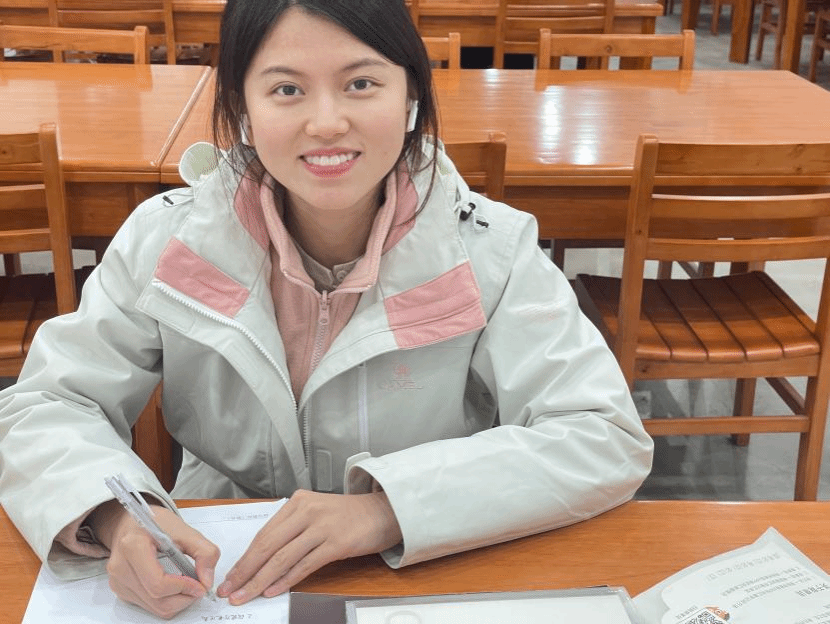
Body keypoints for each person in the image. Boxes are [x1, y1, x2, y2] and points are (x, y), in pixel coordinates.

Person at [0, 0, 653, 618]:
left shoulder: (489, 251)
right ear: (242, 108)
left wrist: (386, 509)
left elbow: (602, 433)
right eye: (287, 88)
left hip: (428, 555)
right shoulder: (168, 241)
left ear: (411, 96)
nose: (326, 122)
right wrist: (118, 517)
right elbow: (47, 403)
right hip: (222, 559)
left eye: (361, 83)